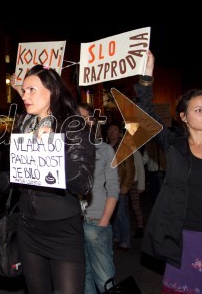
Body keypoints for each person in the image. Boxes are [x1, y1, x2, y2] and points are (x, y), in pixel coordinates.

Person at [0, 65, 95, 293]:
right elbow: (18, 176)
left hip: (63, 232)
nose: (24, 96)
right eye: (23, 91)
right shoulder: (23, 126)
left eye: (31, 90)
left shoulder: (74, 127)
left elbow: (84, 182)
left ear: (53, 91)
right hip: (29, 229)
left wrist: (52, 150)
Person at [137, 51, 202, 292]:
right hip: (183, 236)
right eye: (198, 110)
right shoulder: (174, 144)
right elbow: (145, 117)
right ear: (183, 117)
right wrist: (147, 76)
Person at [78, 103, 119, 294]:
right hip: (73, 224)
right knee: (83, 276)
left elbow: (113, 188)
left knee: (104, 278)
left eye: (87, 118)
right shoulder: (66, 151)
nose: (82, 122)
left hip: (96, 221)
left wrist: (103, 222)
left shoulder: (105, 150)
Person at [106, 123, 135, 252]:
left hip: (119, 184)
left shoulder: (124, 148)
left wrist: (126, 185)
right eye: (110, 129)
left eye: (115, 129)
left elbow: (130, 168)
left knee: (121, 214)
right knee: (112, 213)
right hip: (107, 185)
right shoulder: (105, 146)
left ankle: (125, 241)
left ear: (119, 133)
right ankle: (116, 237)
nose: (112, 132)